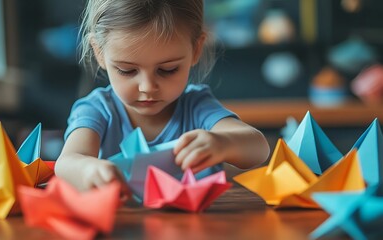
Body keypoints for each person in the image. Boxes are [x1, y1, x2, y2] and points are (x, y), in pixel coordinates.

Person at [55, 0, 270, 199]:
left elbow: (258, 148)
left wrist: (222, 143)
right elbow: (66, 163)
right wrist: (88, 170)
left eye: (168, 70)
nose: (147, 87)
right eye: (127, 70)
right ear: (99, 52)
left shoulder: (196, 106)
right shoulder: (98, 109)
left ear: (196, 49)